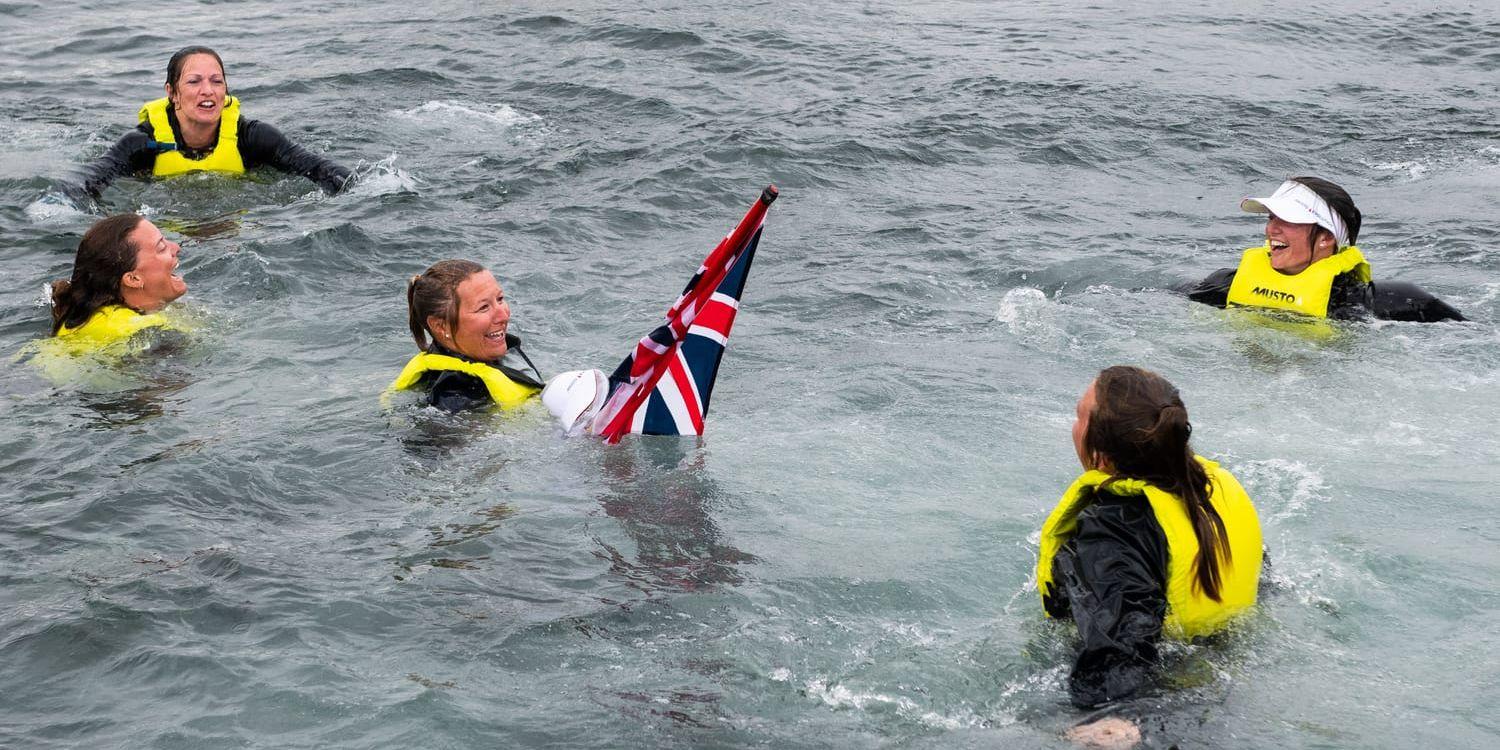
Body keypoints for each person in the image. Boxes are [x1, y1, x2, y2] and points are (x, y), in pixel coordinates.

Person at [1036, 366, 1263, 712]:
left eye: (1079, 416)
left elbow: (1123, 643)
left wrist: (1103, 715)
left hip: (1160, 699)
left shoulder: (1113, 529)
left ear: (1102, 453)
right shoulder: (1210, 491)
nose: (1073, 425)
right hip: (1225, 674)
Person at [73, 46, 350, 198]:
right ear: (172, 93)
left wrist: (360, 186)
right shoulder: (142, 143)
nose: (208, 90)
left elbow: (317, 168)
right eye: (194, 82)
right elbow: (91, 177)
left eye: (217, 82)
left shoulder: (253, 137)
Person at [1185, 176, 1464, 322]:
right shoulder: (1225, 285)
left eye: (1288, 220)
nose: (1271, 230)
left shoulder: (1384, 302)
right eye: (1271, 218)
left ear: (1326, 238)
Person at [389, 259, 545, 412]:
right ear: (440, 326)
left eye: (500, 299)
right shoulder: (454, 396)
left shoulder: (482, 362)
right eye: (483, 307)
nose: (503, 315)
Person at [47, 213, 187, 352]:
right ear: (133, 279)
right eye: (162, 248)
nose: (176, 247)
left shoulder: (76, 319)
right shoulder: (143, 330)